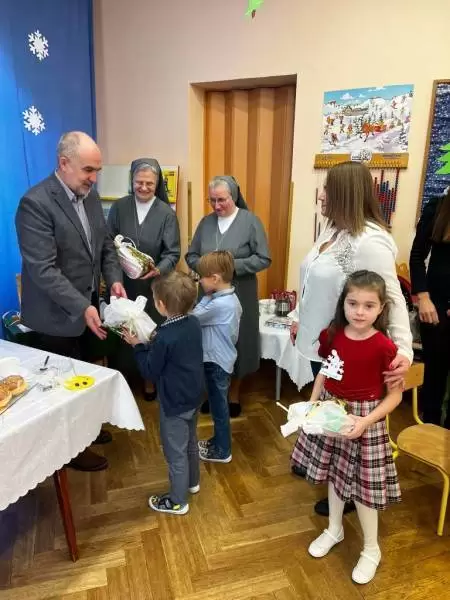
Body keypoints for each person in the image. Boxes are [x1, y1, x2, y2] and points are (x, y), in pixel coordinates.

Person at [289, 161, 413, 516]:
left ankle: (346, 492)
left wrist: (404, 350)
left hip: (347, 349)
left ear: (344, 193)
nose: (322, 196)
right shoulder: (333, 230)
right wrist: (298, 318)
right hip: (323, 344)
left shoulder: (370, 241)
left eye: (327, 189)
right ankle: (325, 472)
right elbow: (311, 282)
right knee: (327, 415)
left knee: (345, 422)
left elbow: (392, 296)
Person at [15, 131, 127, 472]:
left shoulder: (89, 196)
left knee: (83, 374)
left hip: (88, 308)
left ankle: (87, 429)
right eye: (88, 170)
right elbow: (42, 270)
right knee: (60, 387)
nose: (94, 179)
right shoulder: (35, 204)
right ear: (64, 163)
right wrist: (82, 305)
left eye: (97, 171)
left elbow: (105, 245)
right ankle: (70, 449)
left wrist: (115, 280)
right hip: (54, 317)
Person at [292, 270, 402, 585]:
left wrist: (365, 421)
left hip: (366, 420)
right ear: (343, 303)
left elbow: (395, 396)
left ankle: (371, 548)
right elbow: (325, 372)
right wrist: (312, 403)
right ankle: (334, 529)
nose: (359, 312)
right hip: (332, 412)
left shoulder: (384, 347)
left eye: (369, 305)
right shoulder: (333, 335)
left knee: (364, 490)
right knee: (334, 475)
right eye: (353, 303)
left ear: (381, 308)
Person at [185, 176, 271, 417]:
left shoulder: (250, 221)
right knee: (208, 341)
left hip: (241, 292)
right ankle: (212, 392)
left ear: (233, 196)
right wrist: (204, 269)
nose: (216, 205)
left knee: (238, 340)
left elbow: (263, 258)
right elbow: (191, 255)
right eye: (212, 200)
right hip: (208, 295)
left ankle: (233, 393)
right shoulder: (206, 223)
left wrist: (228, 268)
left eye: (221, 200)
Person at [122, 271, 203, 515]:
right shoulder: (193, 323)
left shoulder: (164, 338)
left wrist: (138, 346)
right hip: (194, 395)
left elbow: (150, 370)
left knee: (175, 452)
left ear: (160, 304)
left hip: (174, 402)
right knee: (190, 442)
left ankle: (177, 501)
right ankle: (193, 483)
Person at [107, 158, 180, 400]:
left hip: (153, 288)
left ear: (157, 184)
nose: (144, 187)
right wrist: (114, 279)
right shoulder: (119, 207)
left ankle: (150, 381)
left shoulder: (166, 213)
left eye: (149, 183)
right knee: (122, 335)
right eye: (139, 182)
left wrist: (159, 269)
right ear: (132, 181)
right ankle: (123, 382)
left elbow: (173, 252)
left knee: (150, 334)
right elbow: (108, 245)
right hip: (123, 286)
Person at [192, 251, 242, 463]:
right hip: (220, 360)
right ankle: (218, 442)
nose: (199, 281)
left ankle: (223, 451)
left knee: (219, 409)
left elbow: (193, 317)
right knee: (217, 406)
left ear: (215, 278)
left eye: (201, 277)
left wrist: (205, 297)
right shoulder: (229, 298)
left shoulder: (219, 304)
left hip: (216, 363)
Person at [409, 188, 450, 427]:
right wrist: (423, 297)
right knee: (434, 378)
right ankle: (430, 430)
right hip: (435, 309)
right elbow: (417, 256)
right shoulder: (437, 206)